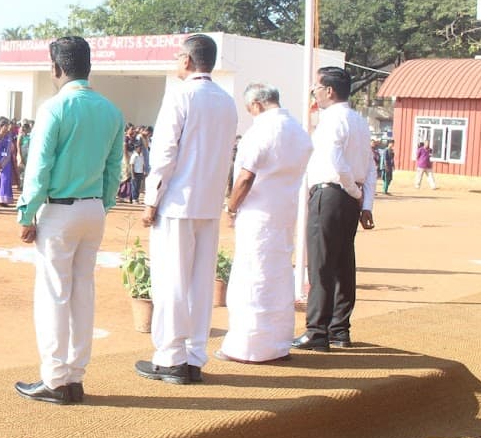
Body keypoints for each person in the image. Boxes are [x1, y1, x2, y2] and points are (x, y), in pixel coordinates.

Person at [14, 37, 124, 405]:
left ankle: (55, 379)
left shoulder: (54, 108)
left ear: (56, 68)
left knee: (53, 295)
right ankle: (75, 377)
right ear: (88, 67)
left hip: (60, 210)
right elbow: (114, 167)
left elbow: (39, 167)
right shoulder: (111, 111)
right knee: (82, 293)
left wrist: (27, 213)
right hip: (93, 208)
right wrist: (103, 205)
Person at [137, 33, 238, 385]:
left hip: (178, 202)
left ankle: (170, 358)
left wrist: (151, 200)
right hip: (208, 204)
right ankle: (194, 356)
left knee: (171, 282)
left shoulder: (180, 95)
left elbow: (165, 153)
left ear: (187, 60)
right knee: (199, 284)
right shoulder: (227, 101)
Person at [219, 84, 313, 363]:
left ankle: (247, 346)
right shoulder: (298, 131)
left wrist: (231, 206)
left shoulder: (261, 131)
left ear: (257, 105)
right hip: (284, 213)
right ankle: (277, 344)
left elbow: (246, 177)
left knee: (252, 278)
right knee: (279, 277)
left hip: (258, 214)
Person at [295, 66, 376, 351]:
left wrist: (353, 191)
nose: (313, 93)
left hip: (331, 194)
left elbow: (335, 162)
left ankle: (317, 331)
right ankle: (339, 330)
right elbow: (370, 167)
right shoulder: (359, 121)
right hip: (349, 199)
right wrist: (365, 202)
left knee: (321, 265)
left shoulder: (331, 120)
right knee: (343, 263)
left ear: (329, 91)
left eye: (316, 88)